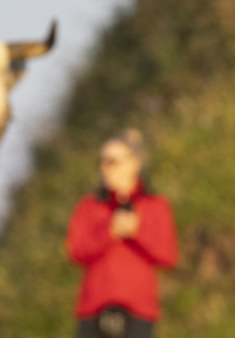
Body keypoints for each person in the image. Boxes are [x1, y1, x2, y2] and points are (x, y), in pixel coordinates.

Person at [66, 130, 179, 338]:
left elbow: (168, 256)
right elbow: (76, 251)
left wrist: (137, 232)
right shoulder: (90, 205)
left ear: (134, 164)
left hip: (138, 311)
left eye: (113, 162)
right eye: (103, 161)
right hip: (93, 309)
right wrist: (109, 233)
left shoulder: (155, 205)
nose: (105, 168)